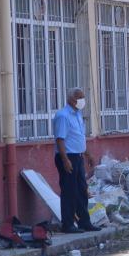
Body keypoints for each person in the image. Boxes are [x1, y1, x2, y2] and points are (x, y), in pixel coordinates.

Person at [53, 88, 99, 234]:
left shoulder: (78, 114)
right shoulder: (63, 116)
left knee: (81, 191)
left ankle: (84, 222)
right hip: (68, 158)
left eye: (83, 97)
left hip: (78, 157)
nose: (82, 100)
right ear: (72, 99)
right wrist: (65, 159)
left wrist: (88, 154)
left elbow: (78, 138)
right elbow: (60, 140)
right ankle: (67, 224)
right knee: (69, 191)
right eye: (80, 97)